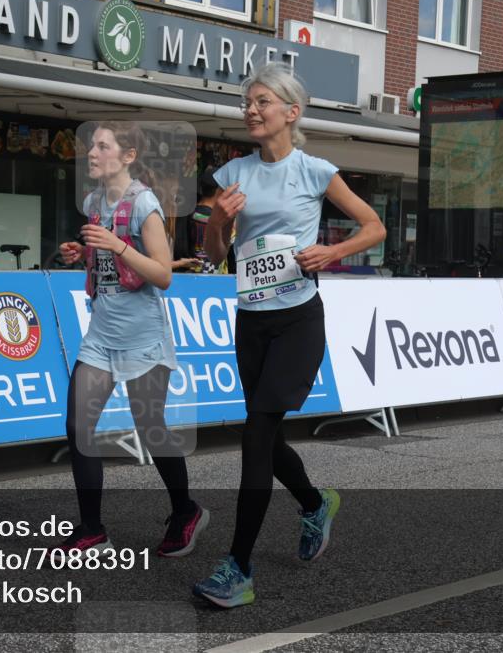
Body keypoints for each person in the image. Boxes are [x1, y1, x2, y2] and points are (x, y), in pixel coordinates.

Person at [194, 63, 385, 608]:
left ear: (290, 113)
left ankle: (238, 568)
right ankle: (314, 503)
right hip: (251, 319)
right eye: (246, 103)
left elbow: (374, 225)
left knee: (256, 436)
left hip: (299, 319)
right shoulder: (233, 174)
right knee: (268, 437)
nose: (250, 110)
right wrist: (215, 225)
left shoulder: (315, 170)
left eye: (261, 102)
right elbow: (214, 256)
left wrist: (333, 252)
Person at [56, 121, 207, 556]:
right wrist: (82, 251)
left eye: (102, 146)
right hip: (101, 336)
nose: (92, 152)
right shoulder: (94, 202)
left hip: (144, 340)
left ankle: (186, 511)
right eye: (92, 145)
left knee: (152, 429)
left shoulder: (144, 204)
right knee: (78, 427)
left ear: (127, 157)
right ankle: (92, 529)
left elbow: (162, 274)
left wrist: (117, 246)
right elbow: (104, 257)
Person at [172, 168, 219, 273]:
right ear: (219, 190)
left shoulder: (193, 212)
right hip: (206, 277)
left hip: (192, 275)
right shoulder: (208, 218)